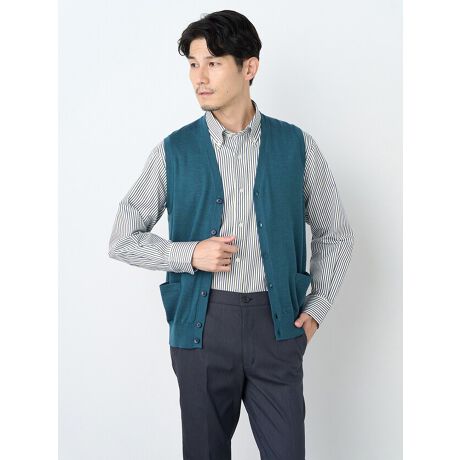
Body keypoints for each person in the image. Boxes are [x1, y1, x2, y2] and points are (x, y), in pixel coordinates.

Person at [108, 9, 354, 460]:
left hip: (277, 325)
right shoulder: (174, 151)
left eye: (214, 63)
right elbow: (122, 237)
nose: (199, 77)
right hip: (202, 330)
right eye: (193, 64)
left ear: (249, 67)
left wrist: (316, 311)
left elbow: (335, 233)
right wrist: (189, 255)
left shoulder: (296, 145)